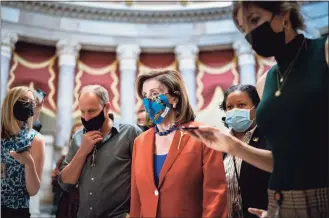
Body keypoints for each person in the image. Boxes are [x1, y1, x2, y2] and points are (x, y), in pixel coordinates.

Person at [186, 2, 328, 218]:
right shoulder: (266, 82)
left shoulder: (323, 52)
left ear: (284, 14)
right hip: (279, 203)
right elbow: (283, 161)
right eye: (243, 29)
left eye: (254, 20)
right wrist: (232, 146)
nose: (250, 34)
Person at [130, 70, 228, 217]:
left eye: (155, 94)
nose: (148, 102)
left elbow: (215, 196)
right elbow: (137, 201)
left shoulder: (202, 136)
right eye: (145, 96)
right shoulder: (140, 142)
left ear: (174, 99)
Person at [58, 85, 142, 218]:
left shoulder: (130, 133)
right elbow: (66, 184)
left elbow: (145, 179)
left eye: (92, 111)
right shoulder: (78, 138)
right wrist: (82, 152)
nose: (86, 118)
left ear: (106, 107)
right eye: (82, 112)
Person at [220, 85, 271, 218]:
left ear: (256, 107)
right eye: (229, 107)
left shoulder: (269, 138)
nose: (235, 111)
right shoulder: (219, 142)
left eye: (241, 105)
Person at [1, 86, 45, 218]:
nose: (28, 105)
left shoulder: (35, 140)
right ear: (11, 103)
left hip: (17, 211)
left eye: (31, 102)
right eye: (23, 100)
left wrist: (29, 163)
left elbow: (33, 190)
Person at [51, 122, 83, 218]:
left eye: (81, 133)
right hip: (68, 205)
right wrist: (58, 177)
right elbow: (55, 186)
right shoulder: (64, 159)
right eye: (75, 133)